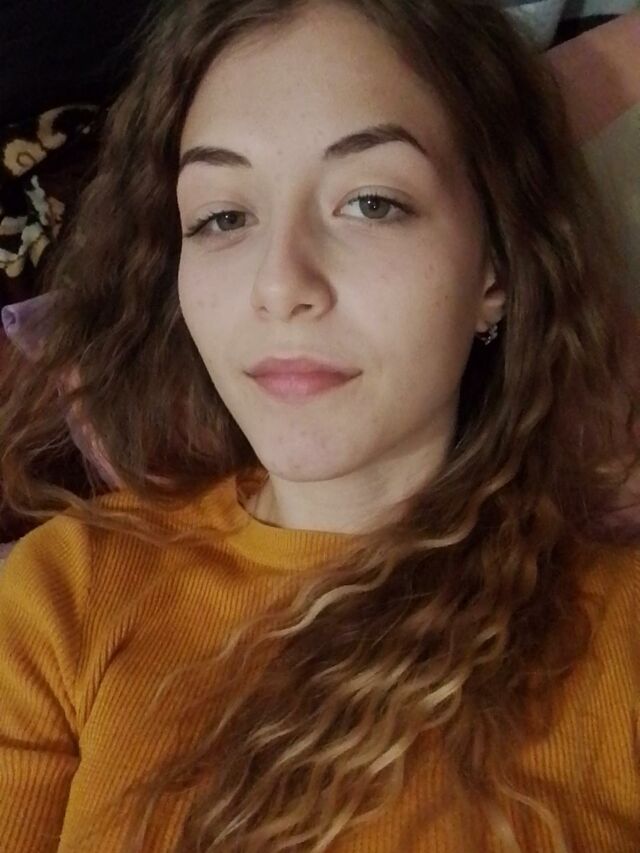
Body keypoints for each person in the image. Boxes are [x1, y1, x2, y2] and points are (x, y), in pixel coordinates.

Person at [0, 0, 638, 851]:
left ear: (496, 266)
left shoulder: (621, 636)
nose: (281, 283)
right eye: (224, 217)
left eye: (371, 202)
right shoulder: (65, 592)